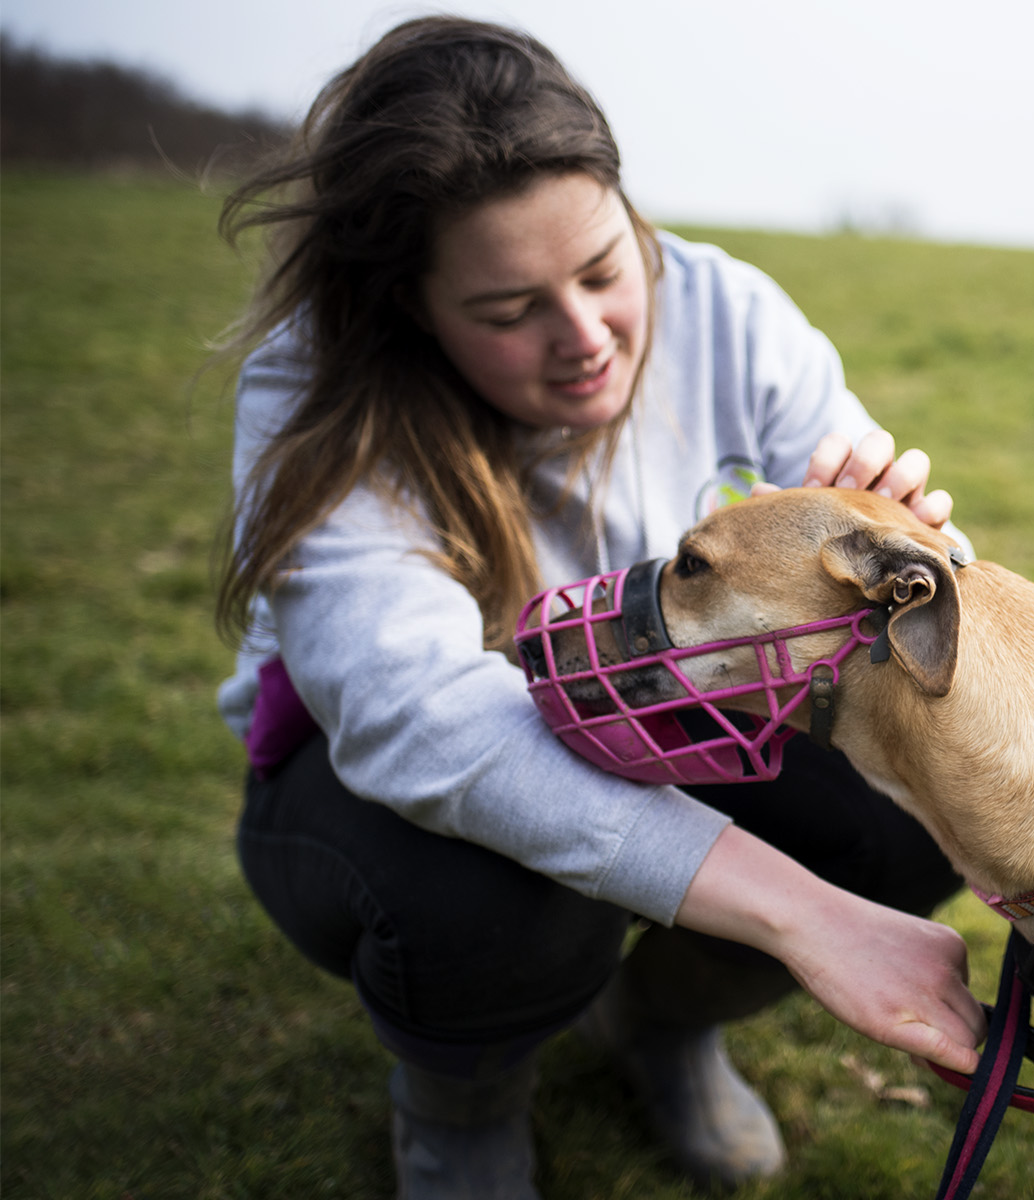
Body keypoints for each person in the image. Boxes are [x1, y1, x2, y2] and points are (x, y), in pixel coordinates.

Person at [213, 17, 983, 1197]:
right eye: (509, 309)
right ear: (412, 305)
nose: (586, 341)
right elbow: (419, 720)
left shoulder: (728, 309)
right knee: (506, 894)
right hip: (363, 782)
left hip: (665, 706)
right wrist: (803, 917)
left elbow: (899, 601)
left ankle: (657, 1023)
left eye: (603, 270)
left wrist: (908, 553)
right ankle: (461, 1107)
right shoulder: (320, 387)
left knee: (911, 799)